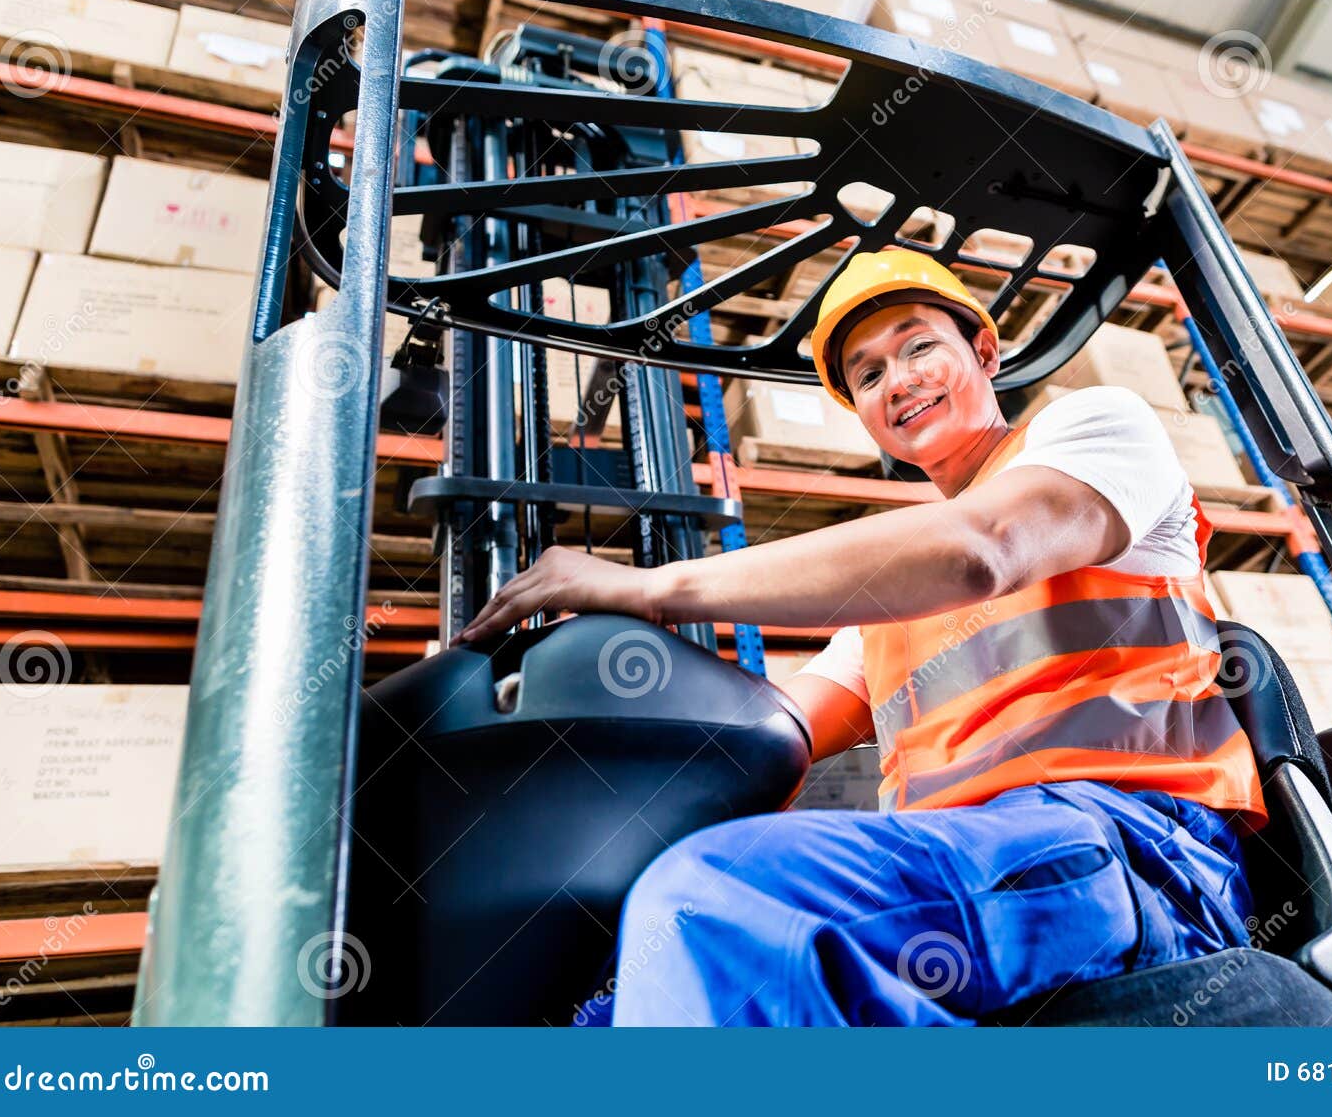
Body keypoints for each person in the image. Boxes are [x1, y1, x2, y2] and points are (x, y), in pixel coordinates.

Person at [452, 248, 1267, 1026]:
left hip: (1135, 849)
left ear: (984, 349)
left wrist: (651, 587)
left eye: (918, 347)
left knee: (716, 902)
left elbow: (985, 551)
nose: (898, 380)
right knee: (595, 1002)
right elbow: (755, 734)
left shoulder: (1093, 432)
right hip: (976, 868)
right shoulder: (888, 606)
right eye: (868, 374)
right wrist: (548, 761)